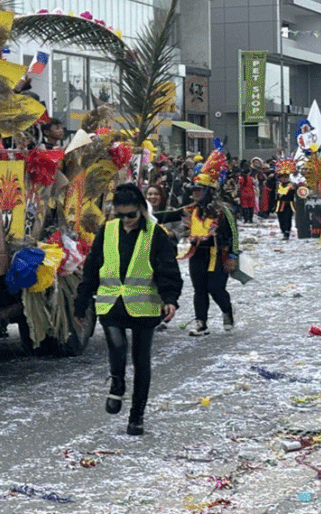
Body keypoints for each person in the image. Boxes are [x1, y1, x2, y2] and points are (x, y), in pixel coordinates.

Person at [75, 183, 182, 436]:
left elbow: (167, 269)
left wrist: (170, 298)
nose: (126, 221)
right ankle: (117, 383)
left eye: (131, 215)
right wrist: (81, 302)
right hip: (110, 302)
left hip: (144, 306)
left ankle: (137, 417)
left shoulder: (155, 234)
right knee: (117, 346)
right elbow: (91, 268)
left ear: (141, 210)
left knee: (141, 360)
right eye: (120, 215)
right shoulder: (107, 231)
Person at [182, 148, 240, 337]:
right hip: (197, 254)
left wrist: (233, 256)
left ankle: (227, 311)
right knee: (199, 289)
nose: (195, 193)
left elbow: (234, 234)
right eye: (194, 190)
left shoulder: (224, 210)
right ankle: (201, 322)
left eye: (199, 190)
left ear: (210, 191)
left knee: (215, 288)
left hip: (217, 254)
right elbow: (175, 222)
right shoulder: (190, 210)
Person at [273, 160, 297, 241]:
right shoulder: (277, 185)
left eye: (286, 177)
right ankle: (283, 231)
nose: (285, 179)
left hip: (288, 205)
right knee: (281, 219)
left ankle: (287, 232)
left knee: (288, 219)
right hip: (279, 205)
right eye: (283, 177)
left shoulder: (292, 185)